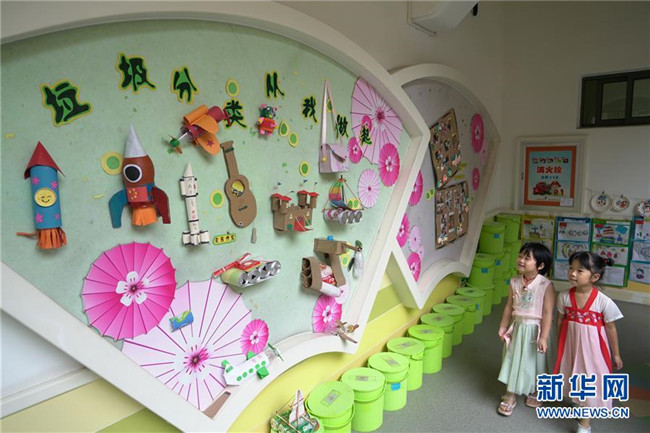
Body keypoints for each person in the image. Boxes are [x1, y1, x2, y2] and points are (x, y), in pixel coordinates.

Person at [554, 252, 623, 433]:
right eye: (571, 268)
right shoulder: (564, 296)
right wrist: (560, 343)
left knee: (590, 378)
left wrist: (616, 354)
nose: (572, 273)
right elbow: (560, 320)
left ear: (595, 277)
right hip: (572, 345)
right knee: (573, 373)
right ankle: (580, 402)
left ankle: (584, 424)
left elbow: (611, 328)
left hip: (593, 349)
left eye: (580, 270)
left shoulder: (603, 302)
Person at [497, 242, 555, 416]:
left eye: (527, 258)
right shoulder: (514, 281)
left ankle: (537, 390)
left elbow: (548, 312)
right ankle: (511, 394)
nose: (521, 260)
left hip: (536, 330)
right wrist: (503, 326)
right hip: (518, 327)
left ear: (541, 265)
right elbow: (509, 305)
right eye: (520, 256)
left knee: (535, 361)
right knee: (513, 358)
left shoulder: (546, 285)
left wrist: (543, 337)